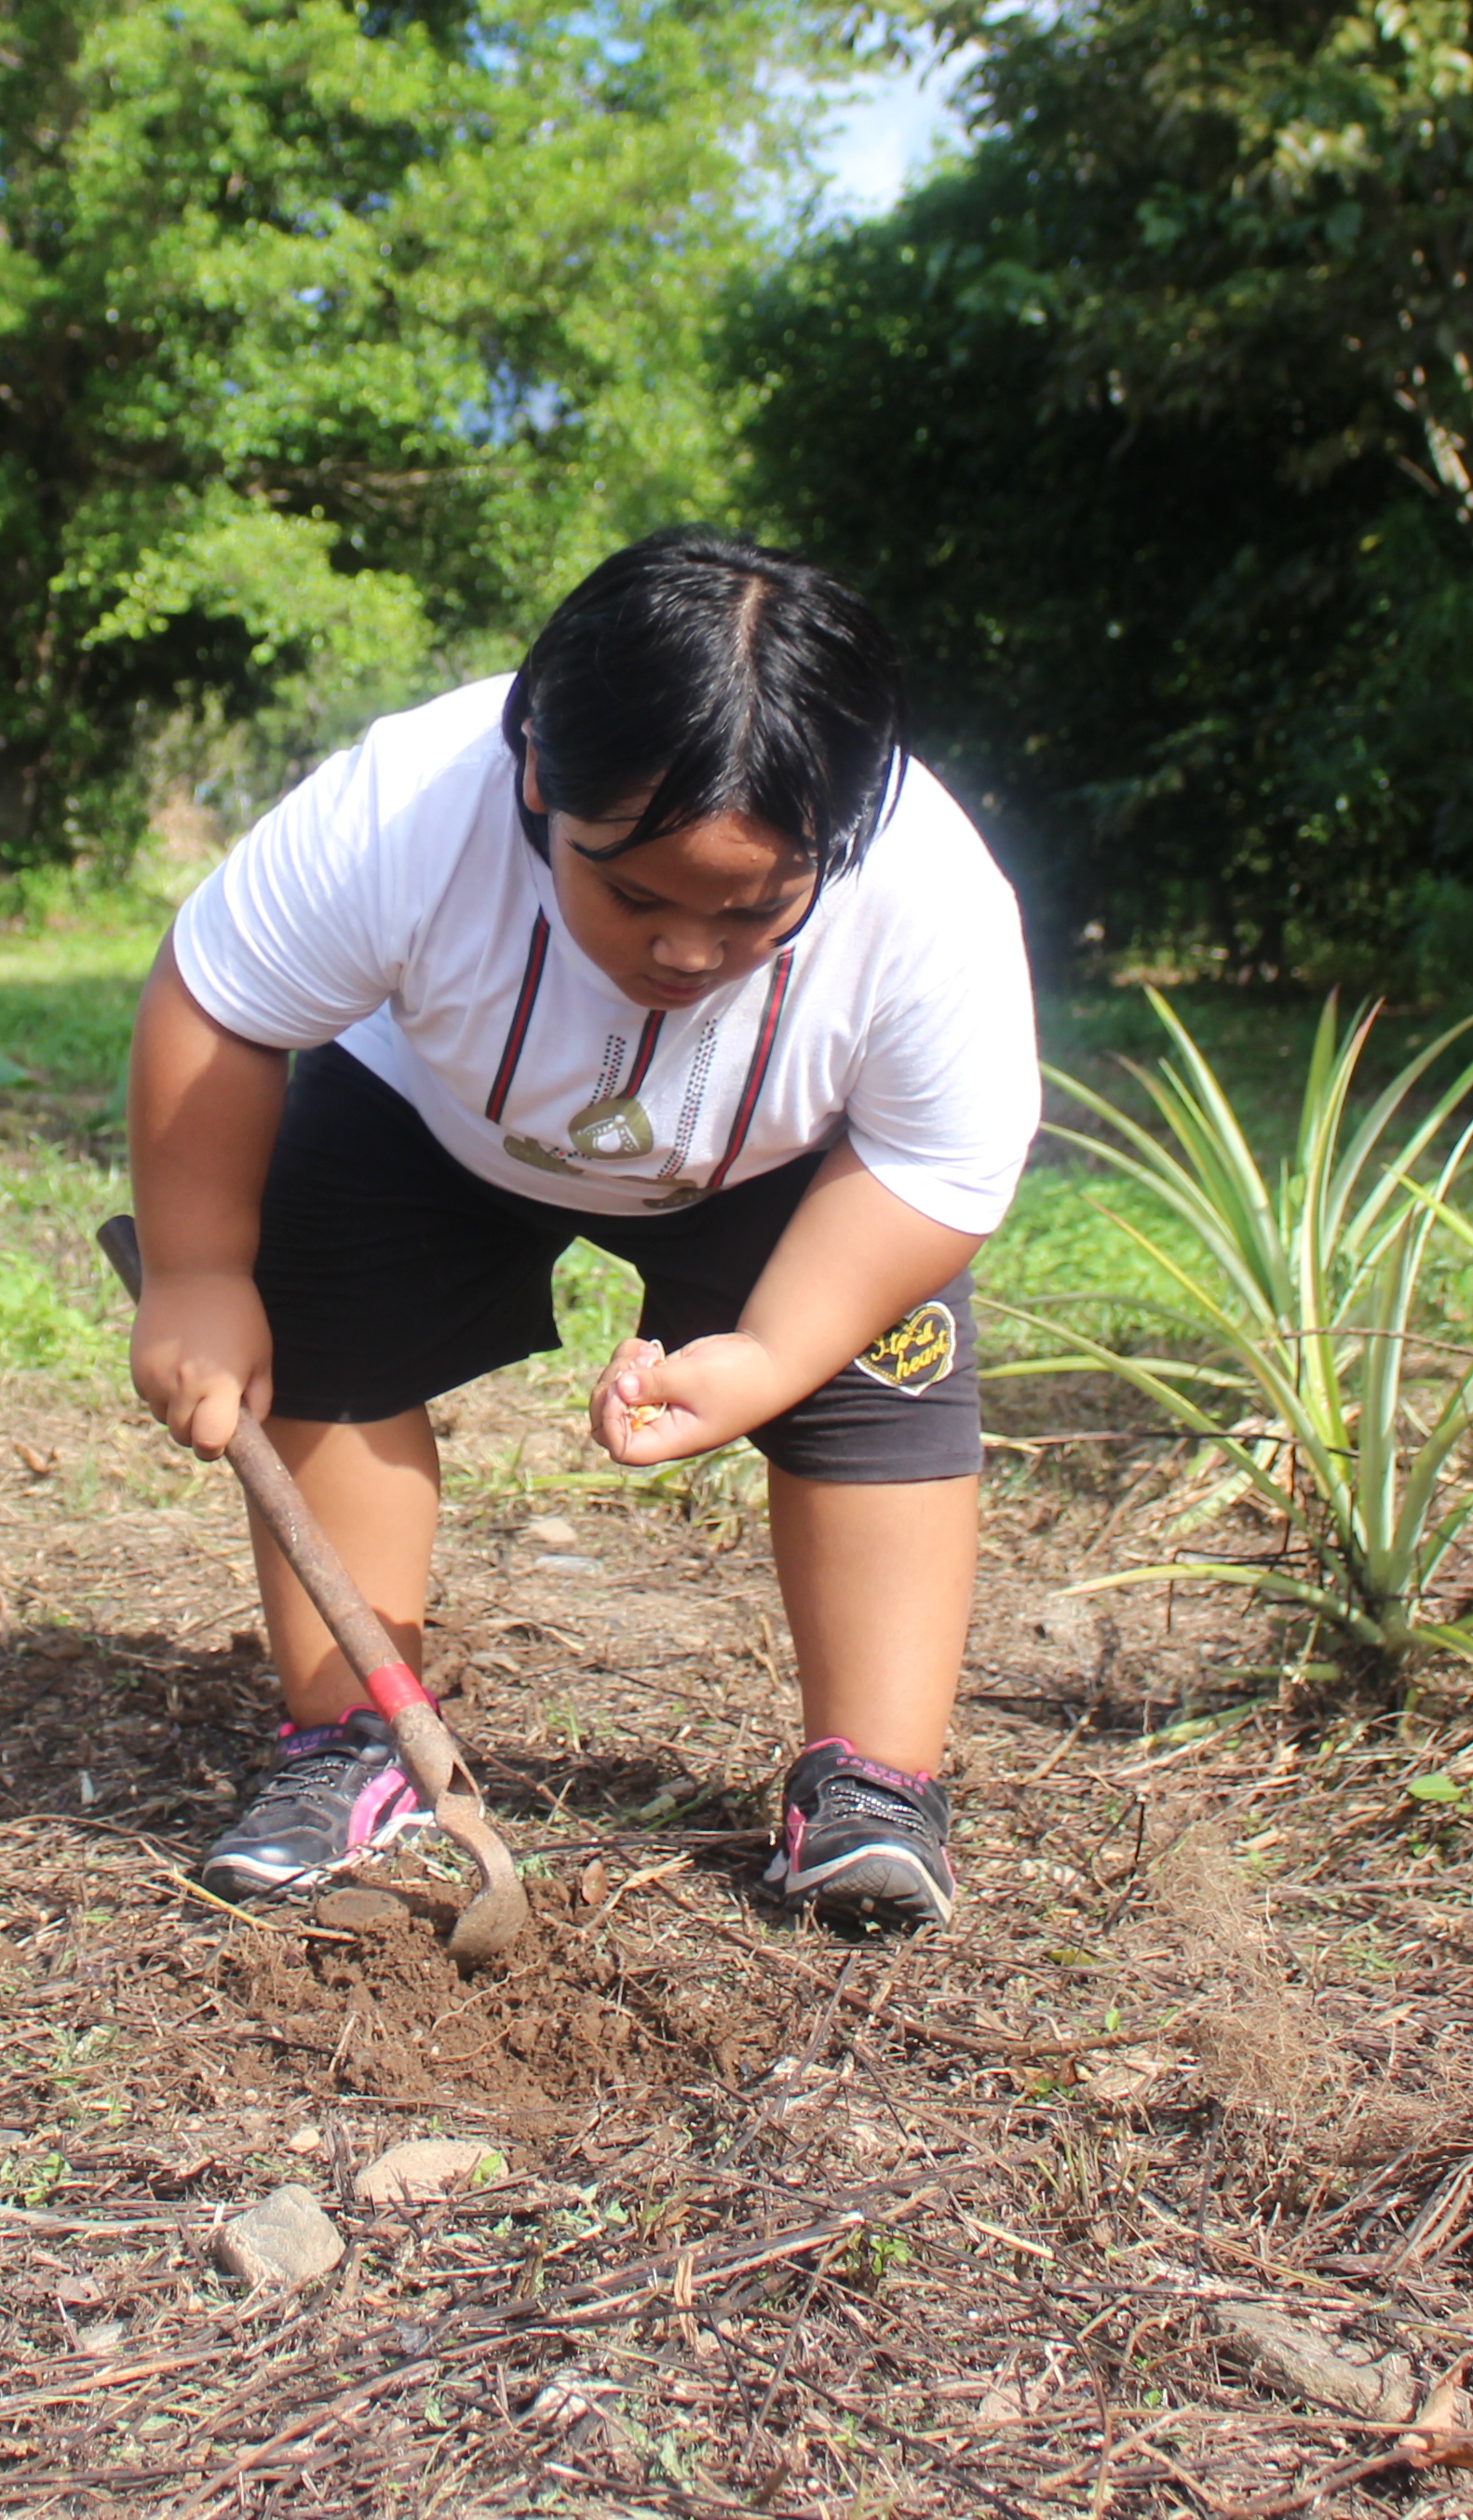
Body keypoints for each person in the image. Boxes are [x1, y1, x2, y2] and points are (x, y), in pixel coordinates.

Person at [125, 531, 1037, 1931]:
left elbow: (935, 1164)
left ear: (837, 845)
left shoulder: (930, 896)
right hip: (424, 1112)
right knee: (319, 1331)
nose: (684, 951)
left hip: (783, 1156)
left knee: (886, 1371)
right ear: (542, 781)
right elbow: (221, 1003)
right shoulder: (409, 806)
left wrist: (778, 1351)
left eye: (753, 911)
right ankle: (353, 1739)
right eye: (634, 892)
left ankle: (872, 1783)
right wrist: (195, 1276)